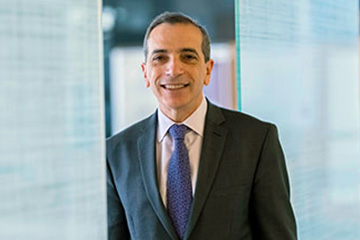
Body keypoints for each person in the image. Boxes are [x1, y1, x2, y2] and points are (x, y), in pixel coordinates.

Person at [106, 11, 297, 240]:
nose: (173, 70)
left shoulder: (256, 140)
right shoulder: (115, 153)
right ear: (146, 73)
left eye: (187, 57)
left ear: (207, 70)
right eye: (160, 58)